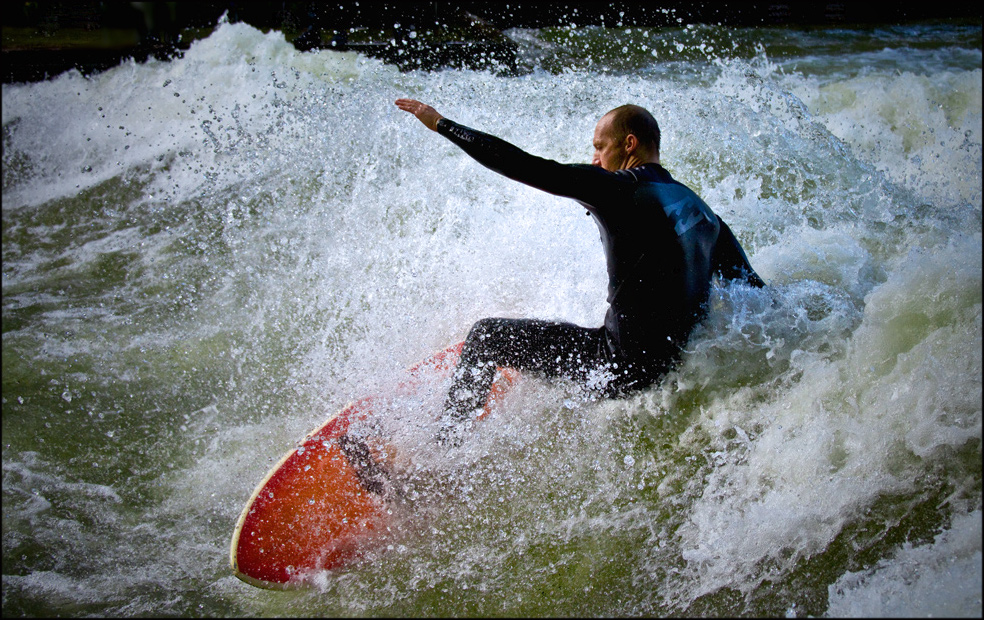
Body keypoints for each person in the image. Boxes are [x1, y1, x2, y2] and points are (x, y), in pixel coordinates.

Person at [394, 98, 765, 446]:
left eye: (600, 147)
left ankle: (442, 453)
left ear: (629, 144)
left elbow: (525, 165)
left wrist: (441, 124)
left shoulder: (621, 188)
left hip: (617, 367)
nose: (595, 160)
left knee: (486, 337)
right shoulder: (704, 214)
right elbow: (754, 292)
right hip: (672, 365)